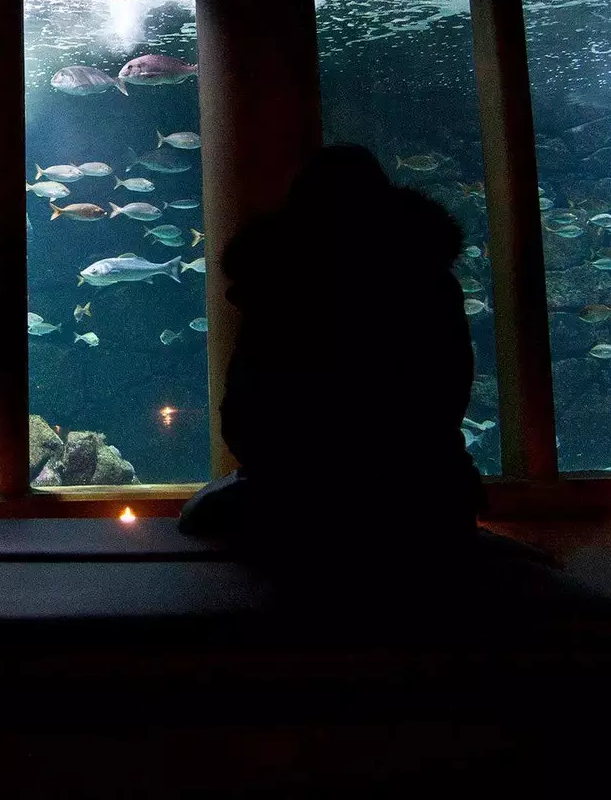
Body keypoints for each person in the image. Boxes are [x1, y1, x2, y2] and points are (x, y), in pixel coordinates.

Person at [179, 143, 486, 544]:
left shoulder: (279, 291)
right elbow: (448, 396)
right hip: (425, 492)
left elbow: (243, 414)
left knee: (200, 513)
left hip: (295, 495)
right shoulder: (432, 284)